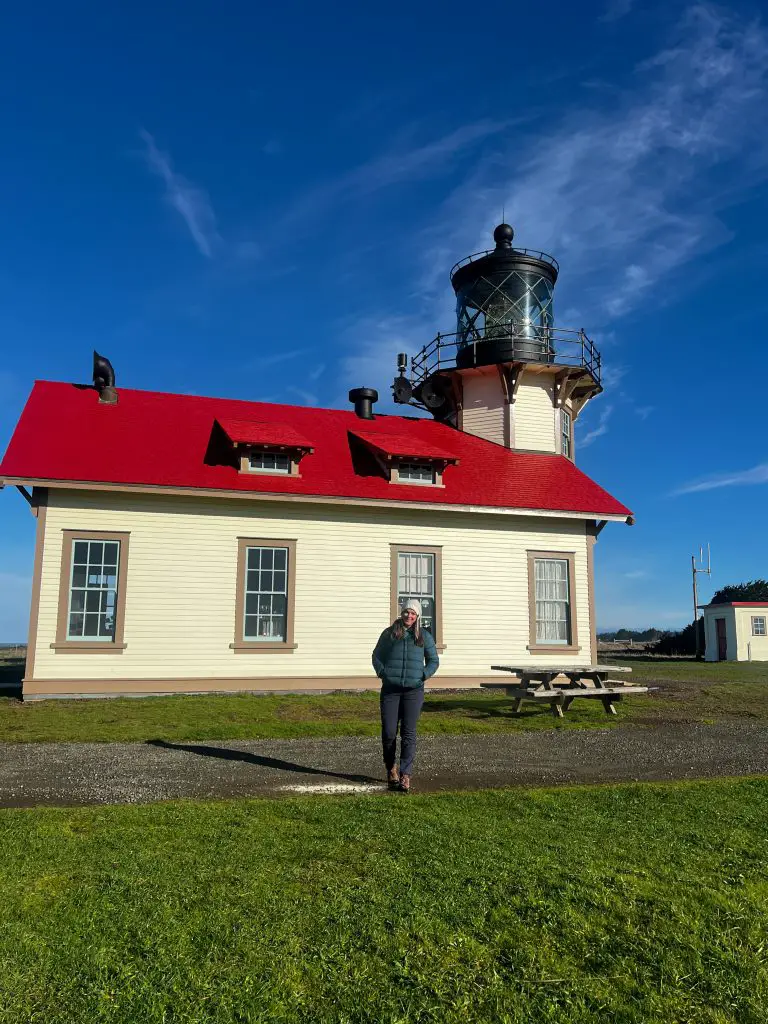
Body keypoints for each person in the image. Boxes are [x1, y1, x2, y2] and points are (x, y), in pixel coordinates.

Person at [371, 599, 439, 793]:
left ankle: (405, 775)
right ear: (401, 613)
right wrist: (383, 673)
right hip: (391, 690)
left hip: (413, 691)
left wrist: (423, 675)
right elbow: (376, 655)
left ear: (418, 617)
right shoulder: (390, 634)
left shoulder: (424, 636)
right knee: (389, 732)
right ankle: (391, 768)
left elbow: (433, 660)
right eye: (406, 612)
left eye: (413, 613)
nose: (409, 616)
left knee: (409, 733)